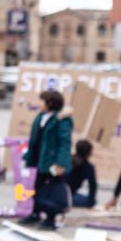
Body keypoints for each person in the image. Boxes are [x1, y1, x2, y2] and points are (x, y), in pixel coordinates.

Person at [18, 90, 73, 230]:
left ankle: (51, 218)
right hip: (40, 160)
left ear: (50, 103)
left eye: (42, 101)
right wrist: (29, 156)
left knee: (51, 190)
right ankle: (35, 213)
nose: (39, 104)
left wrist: (61, 163)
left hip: (53, 163)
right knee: (37, 187)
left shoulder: (62, 119)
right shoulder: (41, 117)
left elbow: (64, 143)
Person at [69, 139, 98, 209]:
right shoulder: (88, 167)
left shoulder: (68, 159)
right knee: (92, 201)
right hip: (69, 195)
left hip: (57, 192)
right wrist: (91, 202)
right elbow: (92, 185)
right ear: (89, 153)